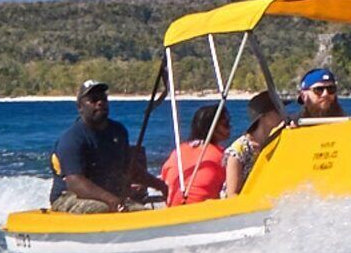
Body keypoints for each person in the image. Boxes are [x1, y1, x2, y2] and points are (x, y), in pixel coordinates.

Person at [47, 81, 150, 212]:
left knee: (141, 211)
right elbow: (74, 181)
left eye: (103, 99)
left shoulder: (118, 131)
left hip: (105, 195)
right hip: (68, 196)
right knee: (102, 208)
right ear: (80, 107)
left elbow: (130, 167)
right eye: (93, 100)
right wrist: (111, 199)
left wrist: (161, 186)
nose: (100, 103)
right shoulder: (72, 138)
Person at [160, 102, 230, 206]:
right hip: (200, 212)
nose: (230, 127)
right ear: (213, 128)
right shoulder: (222, 155)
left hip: (173, 209)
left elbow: (165, 178)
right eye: (226, 124)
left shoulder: (178, 151)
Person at [223, 90, 289, 189]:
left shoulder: (276, 140)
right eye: (278, 110)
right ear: (263, 116)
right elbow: (232, 193)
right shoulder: (239, 150)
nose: (283, 113)